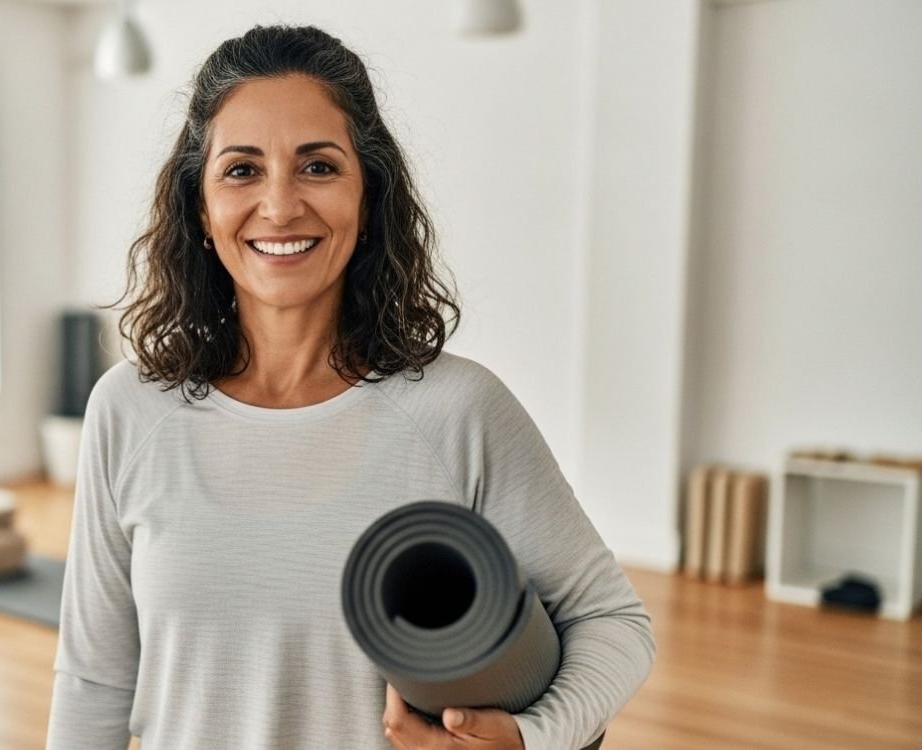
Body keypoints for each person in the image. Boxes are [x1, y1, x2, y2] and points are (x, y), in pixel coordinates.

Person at [45, 24, 654, 750]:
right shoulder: (128, 409)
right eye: (242, 170)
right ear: (200, 210)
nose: (279, 205)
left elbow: (613, 623)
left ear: (367, 199)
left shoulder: (458, 411)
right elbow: (93, 682)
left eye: (318, 167)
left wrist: (533, 736)